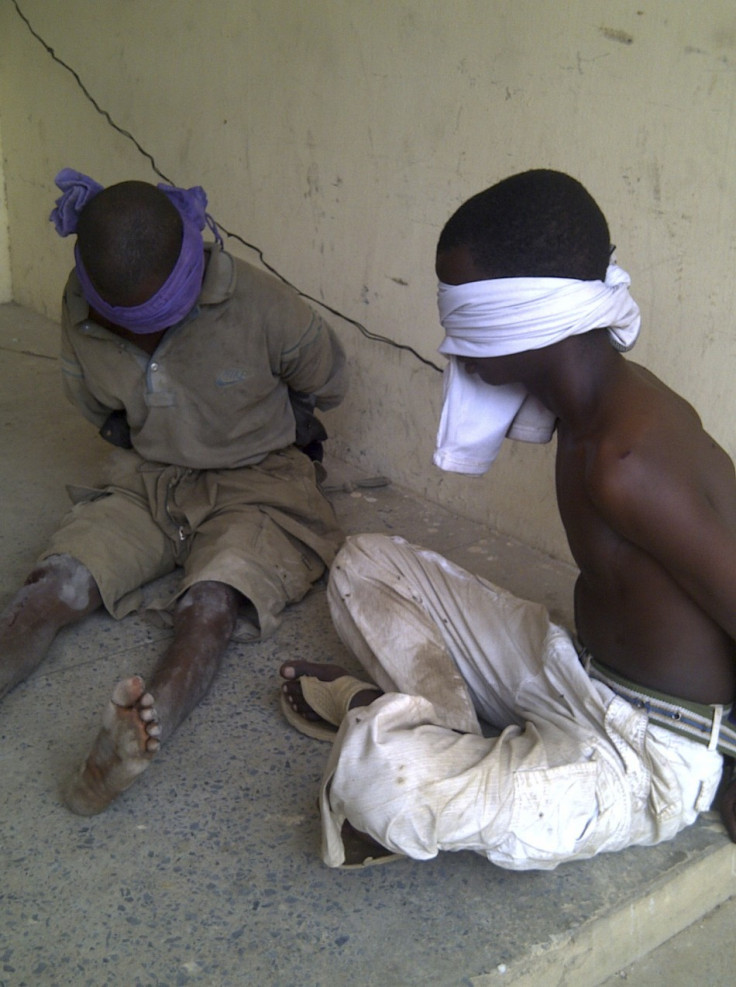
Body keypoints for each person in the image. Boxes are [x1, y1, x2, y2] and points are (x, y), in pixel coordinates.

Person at [280, 168, 736, 870]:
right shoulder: (582, 407)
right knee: (362, 561)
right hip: (573, 672)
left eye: (461, 310)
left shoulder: (629, 458)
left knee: (376, 787)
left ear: (522, 318)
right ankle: (441, 719)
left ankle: (418, 733)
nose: (449, 337)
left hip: (644, 750)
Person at [0, 169, 347, 815]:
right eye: (123, 325)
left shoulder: (264, 305)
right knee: (55, 583)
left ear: (193, 270)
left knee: (211, 602)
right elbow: (98, 405)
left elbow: (327, 381)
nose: (139, 339)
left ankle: (133, 736)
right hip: (150, 478)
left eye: (157, 320)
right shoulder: (80, 303)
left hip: (261, 482)